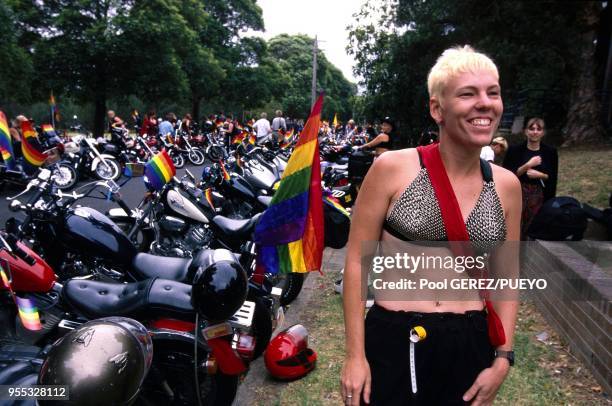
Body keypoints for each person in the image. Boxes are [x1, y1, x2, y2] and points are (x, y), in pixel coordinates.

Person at [341, 45, 521, 405]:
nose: (485, 103)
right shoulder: (393, 168)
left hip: (469, 342)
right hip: (394, 338)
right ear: (437, 108)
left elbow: (506, 275)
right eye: (468, 94)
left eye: (493, 92)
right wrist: (355, 356)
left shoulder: (506, 186)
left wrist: (503, 358)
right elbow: (357, 265)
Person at [503, 118, 558, 240]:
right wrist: (527, 165)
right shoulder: (514, 150)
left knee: (532, 228)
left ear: (543, 133)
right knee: (513, 226)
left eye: (539, 129)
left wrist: (540, 175)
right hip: (517, 193)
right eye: (531, 128)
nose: (535, 132)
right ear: (525, 131)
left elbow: (553, 176)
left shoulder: (550, 152)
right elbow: (506, 174)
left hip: (539, 195)